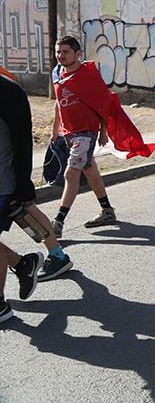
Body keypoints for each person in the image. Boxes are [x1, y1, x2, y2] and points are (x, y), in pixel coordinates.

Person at [50, 36, 155, 238]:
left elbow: (104, 102)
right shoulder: (58, 73)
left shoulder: (88, 74)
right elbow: (58, 102)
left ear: (77, 54)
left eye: (65, 52)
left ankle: (58, 222)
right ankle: (107, 211)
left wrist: (103, 131)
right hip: (69, 133)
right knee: (90, 171)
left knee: (70, 174)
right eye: (58, 52)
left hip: (85, 134)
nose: (60, 56)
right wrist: (54, 130)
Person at [1, 69, 72, 322]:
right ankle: (28, 263)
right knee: (26, 212)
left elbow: (22, 141)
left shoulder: (8, 90)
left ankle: (53, 257)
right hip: (9, 181)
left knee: (26, 209)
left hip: (6, 181)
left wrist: (22, 184)